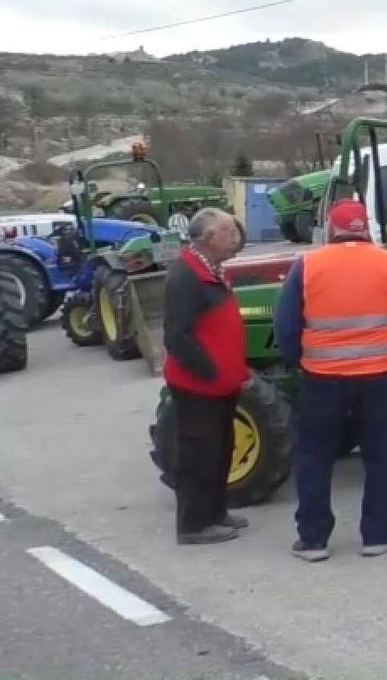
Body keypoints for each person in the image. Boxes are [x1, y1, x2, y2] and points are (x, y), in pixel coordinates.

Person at [274, 199, 387, 562]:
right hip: (378, 378)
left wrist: (304, 362)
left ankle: (313, 540)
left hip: (322, 378)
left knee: (314, 455)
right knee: (380, 454)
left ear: (330, 229)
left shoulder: (307, 265)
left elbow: (285, 328)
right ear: (365, 229)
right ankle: (377, 533)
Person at [162, 208, 249, 546]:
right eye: (229, 232)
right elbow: (177, 337)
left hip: (221, 384)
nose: (236, 238)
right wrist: (211, 372)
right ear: (209, 238)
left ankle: (216, 511)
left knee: (220, 448)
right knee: (198, 453)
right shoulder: (185, 276)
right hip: (199, 386)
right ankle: (194, 524)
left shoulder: (210, 270)